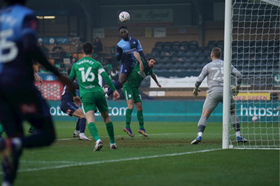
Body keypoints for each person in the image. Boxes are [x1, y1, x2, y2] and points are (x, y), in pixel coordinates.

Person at [0, 1, 74, 185]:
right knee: (47, 134)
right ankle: (12, 146)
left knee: (13, 137)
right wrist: (58, 75)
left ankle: (7, 182)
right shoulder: (25, 15)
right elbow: (30, 45)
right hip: (18, 82)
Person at [68, 42, 120, 151]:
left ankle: (97, 140)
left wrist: (74, 96)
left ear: (82, 52)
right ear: (92, 51)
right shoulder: (96, 63)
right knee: (106, 118)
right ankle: (112, 143)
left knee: (90, 119)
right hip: (98, 92)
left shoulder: (76, 65)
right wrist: (114, 90)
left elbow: (69, 82)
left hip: (86, 94)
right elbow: (105, 76)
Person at [190, 47, 248, 144]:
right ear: (221, 56)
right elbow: (239, 75)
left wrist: (196, 88)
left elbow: (199, 80)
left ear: (211, 55)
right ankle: (238, 136)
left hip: (213, 92)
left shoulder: (208, 66)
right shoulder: (227, 64)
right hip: (226, 92)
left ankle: (199, 136)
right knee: (232, 112)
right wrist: (237, 86)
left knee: (204, 114)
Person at [123, 52, 161, 137]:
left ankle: (141, 128)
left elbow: (153, 75)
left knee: (140, 107)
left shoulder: (149, 70)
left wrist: (157, 83)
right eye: (151, 62)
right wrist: (140, 62)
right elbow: (135, 53)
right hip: (128, 86)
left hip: (136, 88)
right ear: (147, 61)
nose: (152, 64)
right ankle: (127, 127)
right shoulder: (142, 62)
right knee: (131, 106)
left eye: (154, 63)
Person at [105, 26, 147, 98]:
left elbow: (141, 52)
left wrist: (145, 62)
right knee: (121, 80)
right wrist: (120, 52)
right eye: (121, 33)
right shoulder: (119, 45)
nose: (123, 33)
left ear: (127, 32)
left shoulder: (136, 41)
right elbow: (118, 58)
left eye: (124, 32)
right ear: (120, 34)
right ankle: (107, 94)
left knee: (124, 82)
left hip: (135, 65)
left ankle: (108, 89)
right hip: (125, 64)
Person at [60, 68, 90, 140]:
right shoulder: (72, 83)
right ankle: (82, 134)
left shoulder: (69, 83)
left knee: (81, 114)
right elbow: (83, 87)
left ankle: (77, 132)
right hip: (66, 103)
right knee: (83, 116)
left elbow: (72, 95)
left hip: (66, 103)